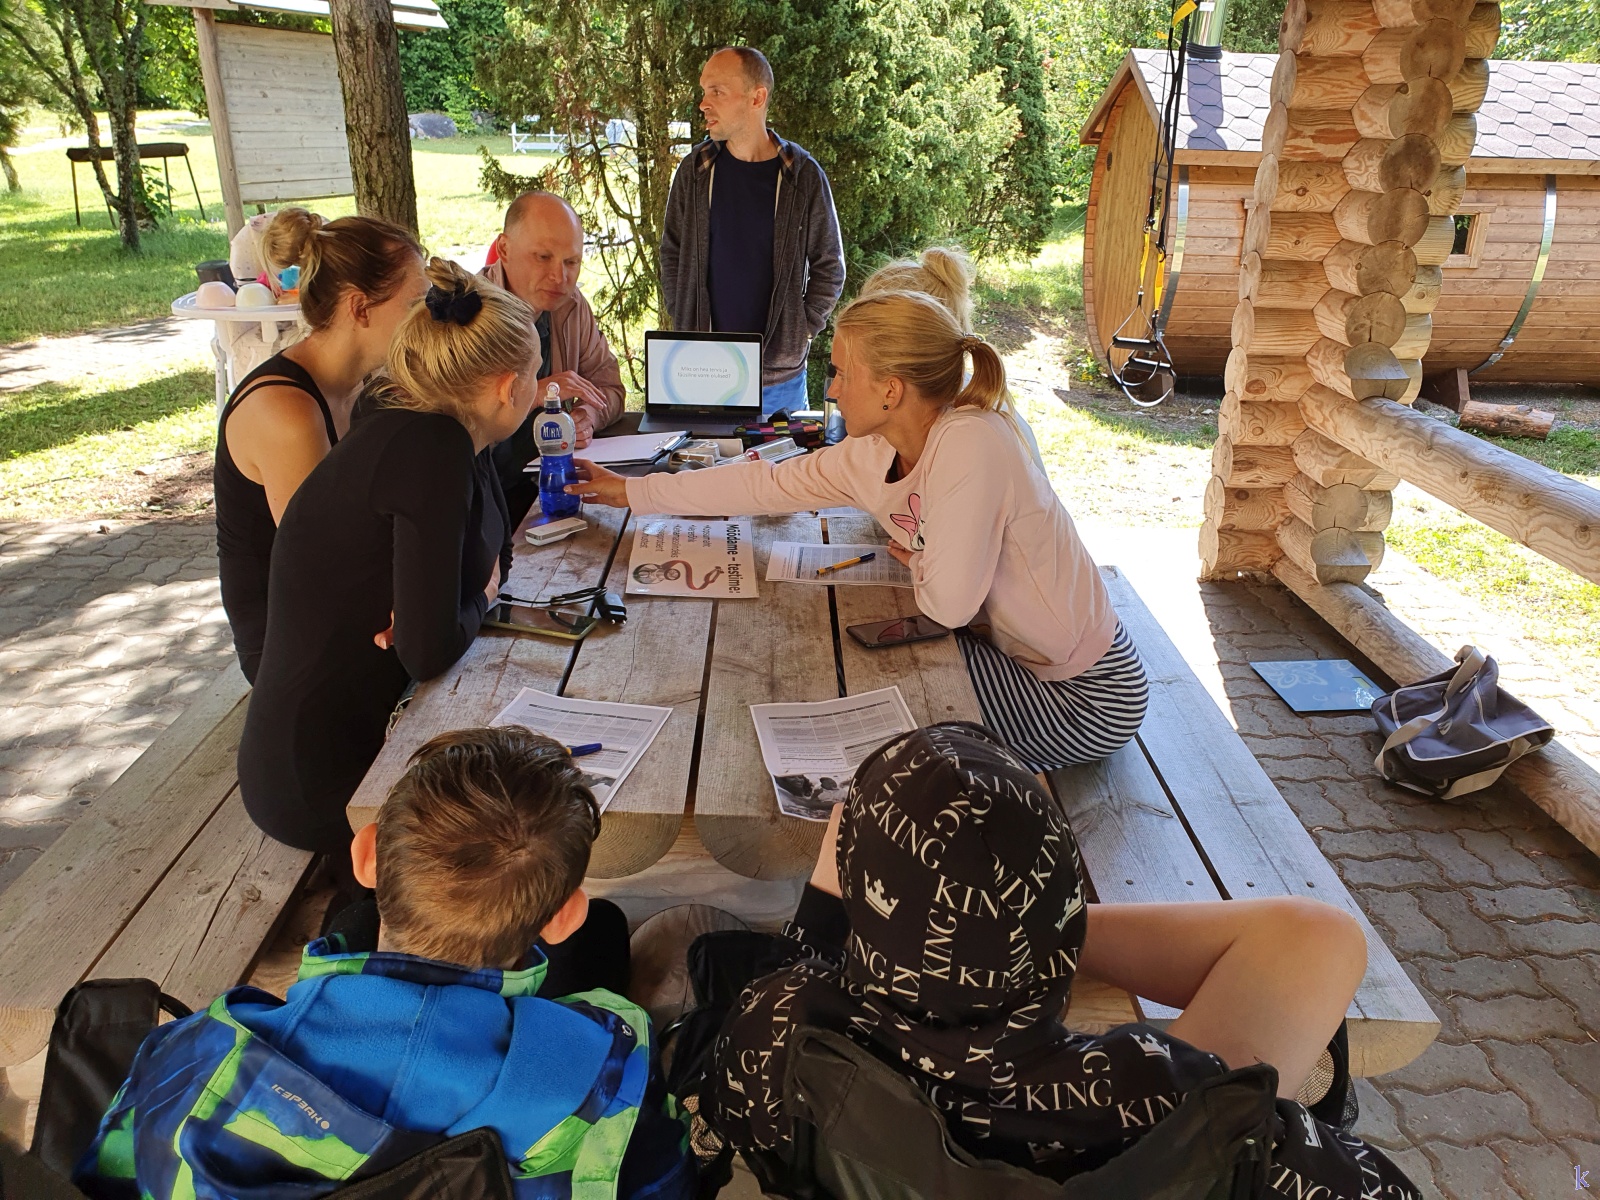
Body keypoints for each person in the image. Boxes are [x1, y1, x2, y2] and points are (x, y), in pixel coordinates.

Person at [708, 722, 1422, 1197]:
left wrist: (851, 916)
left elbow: (761, 1032)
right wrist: (1024, 932)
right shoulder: (1177, 1095)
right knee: (1324, 938)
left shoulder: (775, 1027)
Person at [75, 726, 697, 1199]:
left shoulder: (188, 1055)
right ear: (564, 917)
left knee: (347, 924)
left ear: (367, 856)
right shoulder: (604, 1079)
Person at [569, 290, 1146, 771]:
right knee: (857, 670)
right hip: (1011, 653)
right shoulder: (874, 451)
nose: (832, 389)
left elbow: (948, 604)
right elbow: (764, 484)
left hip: (1084, 692)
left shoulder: (971, 441)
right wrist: (633, 492)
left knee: (877, 718)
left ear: (891, 389)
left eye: (843, 373)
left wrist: (924, 559)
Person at [237, 259, 534, 859]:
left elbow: (495, 551)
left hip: (367, 724)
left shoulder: (449, 430)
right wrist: (476, 600)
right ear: (508, 388)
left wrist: (456, 603)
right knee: (530, 818)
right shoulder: (431, 447)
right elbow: (429, 649)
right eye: (536, 371)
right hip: (326, 775)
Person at [215, 207, 426, 683]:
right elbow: (327, 569)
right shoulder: (286, 411)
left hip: (347, 616)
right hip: (291, 653)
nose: (426, 319)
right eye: (415, 303)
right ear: (360, 308)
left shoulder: (366, 384)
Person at [661, 46, 845, 417]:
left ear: (757, 97)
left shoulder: (802, 175)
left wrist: (801, 330)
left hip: (778, 380)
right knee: (707, 457)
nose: (703, 104)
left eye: (717, 92)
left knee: (785, 458)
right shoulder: (695, 171)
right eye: (704, 91)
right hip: (704, 370)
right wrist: (683, 316)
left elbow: (830, 265)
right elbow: (672, 253)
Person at [480, 191, 627, 525]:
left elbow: (610, 389)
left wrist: (587, 416)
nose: (560, 278)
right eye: (543, 257)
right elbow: (453, 431)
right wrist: (534, 393)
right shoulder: (467, 315)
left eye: (571, 262)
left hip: (553, 495)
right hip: (483, 502)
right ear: (504, 249)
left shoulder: (570, 306)